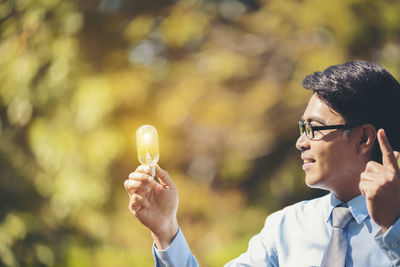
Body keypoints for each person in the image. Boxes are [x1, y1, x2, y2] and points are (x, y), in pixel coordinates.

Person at [124, 60, 400, 266]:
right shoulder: (287, 227)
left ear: (364, 137)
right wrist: (166, 231)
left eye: (314, 129)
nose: (300, 142)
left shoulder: (395, 227)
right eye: (302, 129)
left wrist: (393, 229)